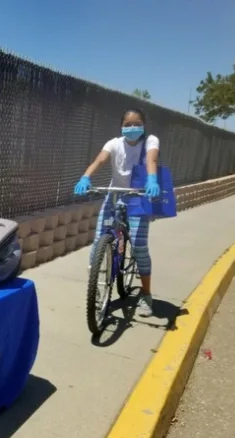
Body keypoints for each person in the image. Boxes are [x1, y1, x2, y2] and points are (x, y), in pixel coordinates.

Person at [73, 108, 161, 317]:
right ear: (121, 126)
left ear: (143, 124)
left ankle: (146, 295)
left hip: (139, 196)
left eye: (136, 123)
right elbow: (100, 160)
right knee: (98, 242)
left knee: (139, 247)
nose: (132, 127)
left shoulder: (150, 141)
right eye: (128, 124)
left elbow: (152, 160)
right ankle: (96, 286)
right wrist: (85, 177)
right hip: (115, 195)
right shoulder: (113, 143)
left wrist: (152, 179)